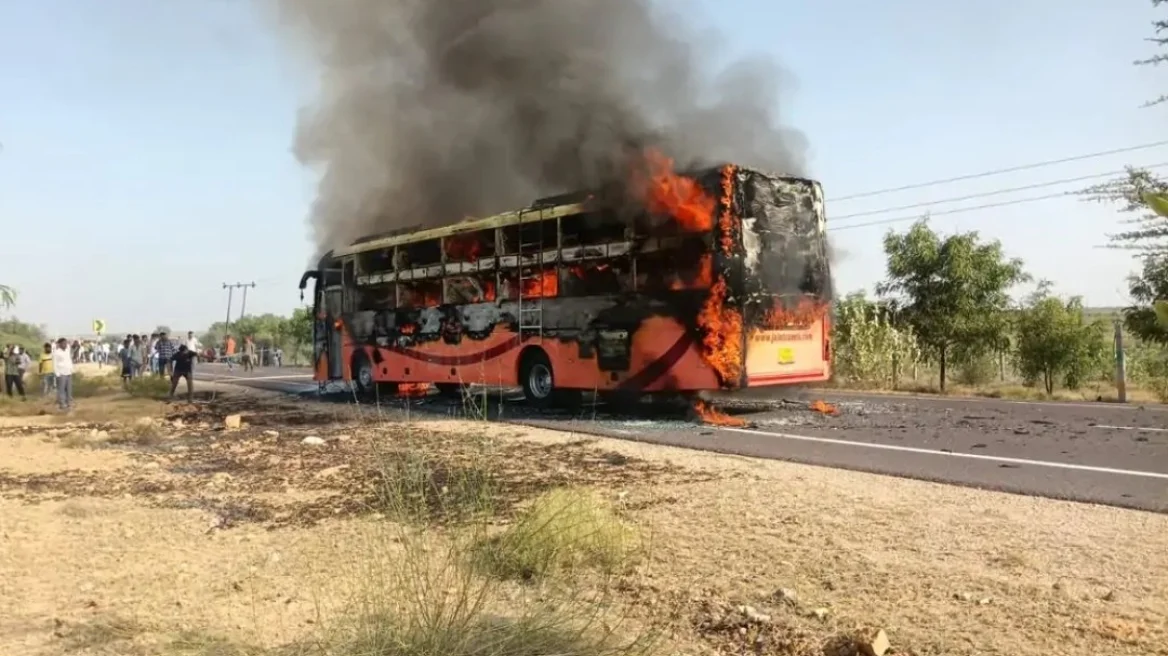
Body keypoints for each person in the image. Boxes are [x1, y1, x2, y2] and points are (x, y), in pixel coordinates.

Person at [52, 338, 74, 411]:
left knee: (69, 389)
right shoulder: (56, 352)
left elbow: (69, 360)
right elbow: (54, 363)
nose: (65, 344)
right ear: (60, 344)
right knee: (61, 390)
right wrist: (57, 373)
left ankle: (69, 403)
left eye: (66, 343)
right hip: (61, 373)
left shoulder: (67, 351)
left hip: (68, 372)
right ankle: (62, 404)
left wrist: (71, 369)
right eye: (63, 343)